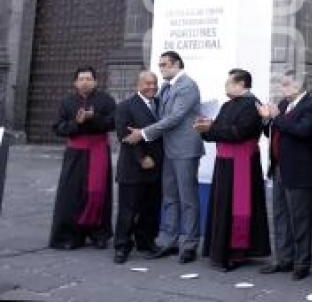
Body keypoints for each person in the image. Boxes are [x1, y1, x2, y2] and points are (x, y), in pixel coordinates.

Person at [124, 50, 204, 263]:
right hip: (168, 150)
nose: (161, 68)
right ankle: (168, 240)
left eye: (165, 64)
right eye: (160, 65)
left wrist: (142, 133)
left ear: (177, 64)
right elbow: (150, 107)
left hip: (185, 150)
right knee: (169, 197)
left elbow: (175, 117)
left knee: (188, 198)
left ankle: (189, 244)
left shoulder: (187, 86)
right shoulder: (167, 88)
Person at [195, 68, 270, 271]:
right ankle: (221, 250)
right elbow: (218, 130)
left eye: (229, 83)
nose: (225, 86)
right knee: (223, 205)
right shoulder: (228, 104)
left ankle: (235, 252)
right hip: (225, 162)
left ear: (241, 84)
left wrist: (212, 129)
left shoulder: (252, 104)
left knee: (237, 206)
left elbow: (239, 132)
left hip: (241, 163)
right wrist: (204, 130)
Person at [257, 72, 312, 279]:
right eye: (282, 84)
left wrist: (276, 118)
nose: (282, 88)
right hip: (278, 167)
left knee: (300, 218)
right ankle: (283, 259)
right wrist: (267, 120)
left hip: (299, 170)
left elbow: (303, 131)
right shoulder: (284, 105)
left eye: (286, 84)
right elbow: (273, 132)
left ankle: (302, 262)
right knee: (280, 215)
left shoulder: (311, 105)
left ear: (299, 86)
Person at [49, 66, 116, 250]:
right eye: (81, 78)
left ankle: (98, 234)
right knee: (71, 194)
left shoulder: (106, 100)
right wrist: (76, 123)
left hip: (98, 150)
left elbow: (113, 122)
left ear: (95, 81)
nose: (85, 82)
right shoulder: (67, 102)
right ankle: (69, 235)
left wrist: (93, 118)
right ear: (75, 82)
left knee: (98, 192)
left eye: (88, 78)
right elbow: (58, 128)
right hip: (75, 153)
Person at [113, 71, 163, 264]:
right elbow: (124, 136)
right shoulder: (125, 106)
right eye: (147, 83)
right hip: (133, 168)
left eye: (154, 83)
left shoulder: (160, 105)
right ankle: (122, 246)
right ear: (137, 85)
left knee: (150, 209)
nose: (152, 87)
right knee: (128, 210)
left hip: (156, 167)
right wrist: (141, 158)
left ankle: (146, 242)